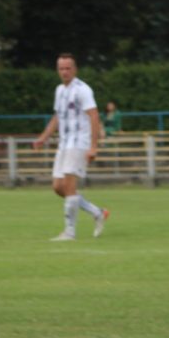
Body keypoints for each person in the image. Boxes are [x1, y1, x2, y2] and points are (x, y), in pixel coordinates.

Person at [33, 53, 109, 241]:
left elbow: (94, 116)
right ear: (57, 70)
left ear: (74, 69)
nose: (65, 72)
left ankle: (69, 232)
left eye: (68, 68)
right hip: (64, 143)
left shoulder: (83, 90)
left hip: (79, 143)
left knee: (68, 185)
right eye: (61, 68)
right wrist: (43, 137)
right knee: (59, 187)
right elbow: (57, 117)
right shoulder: (59, 90)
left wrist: (93, 146)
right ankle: (97, 212)